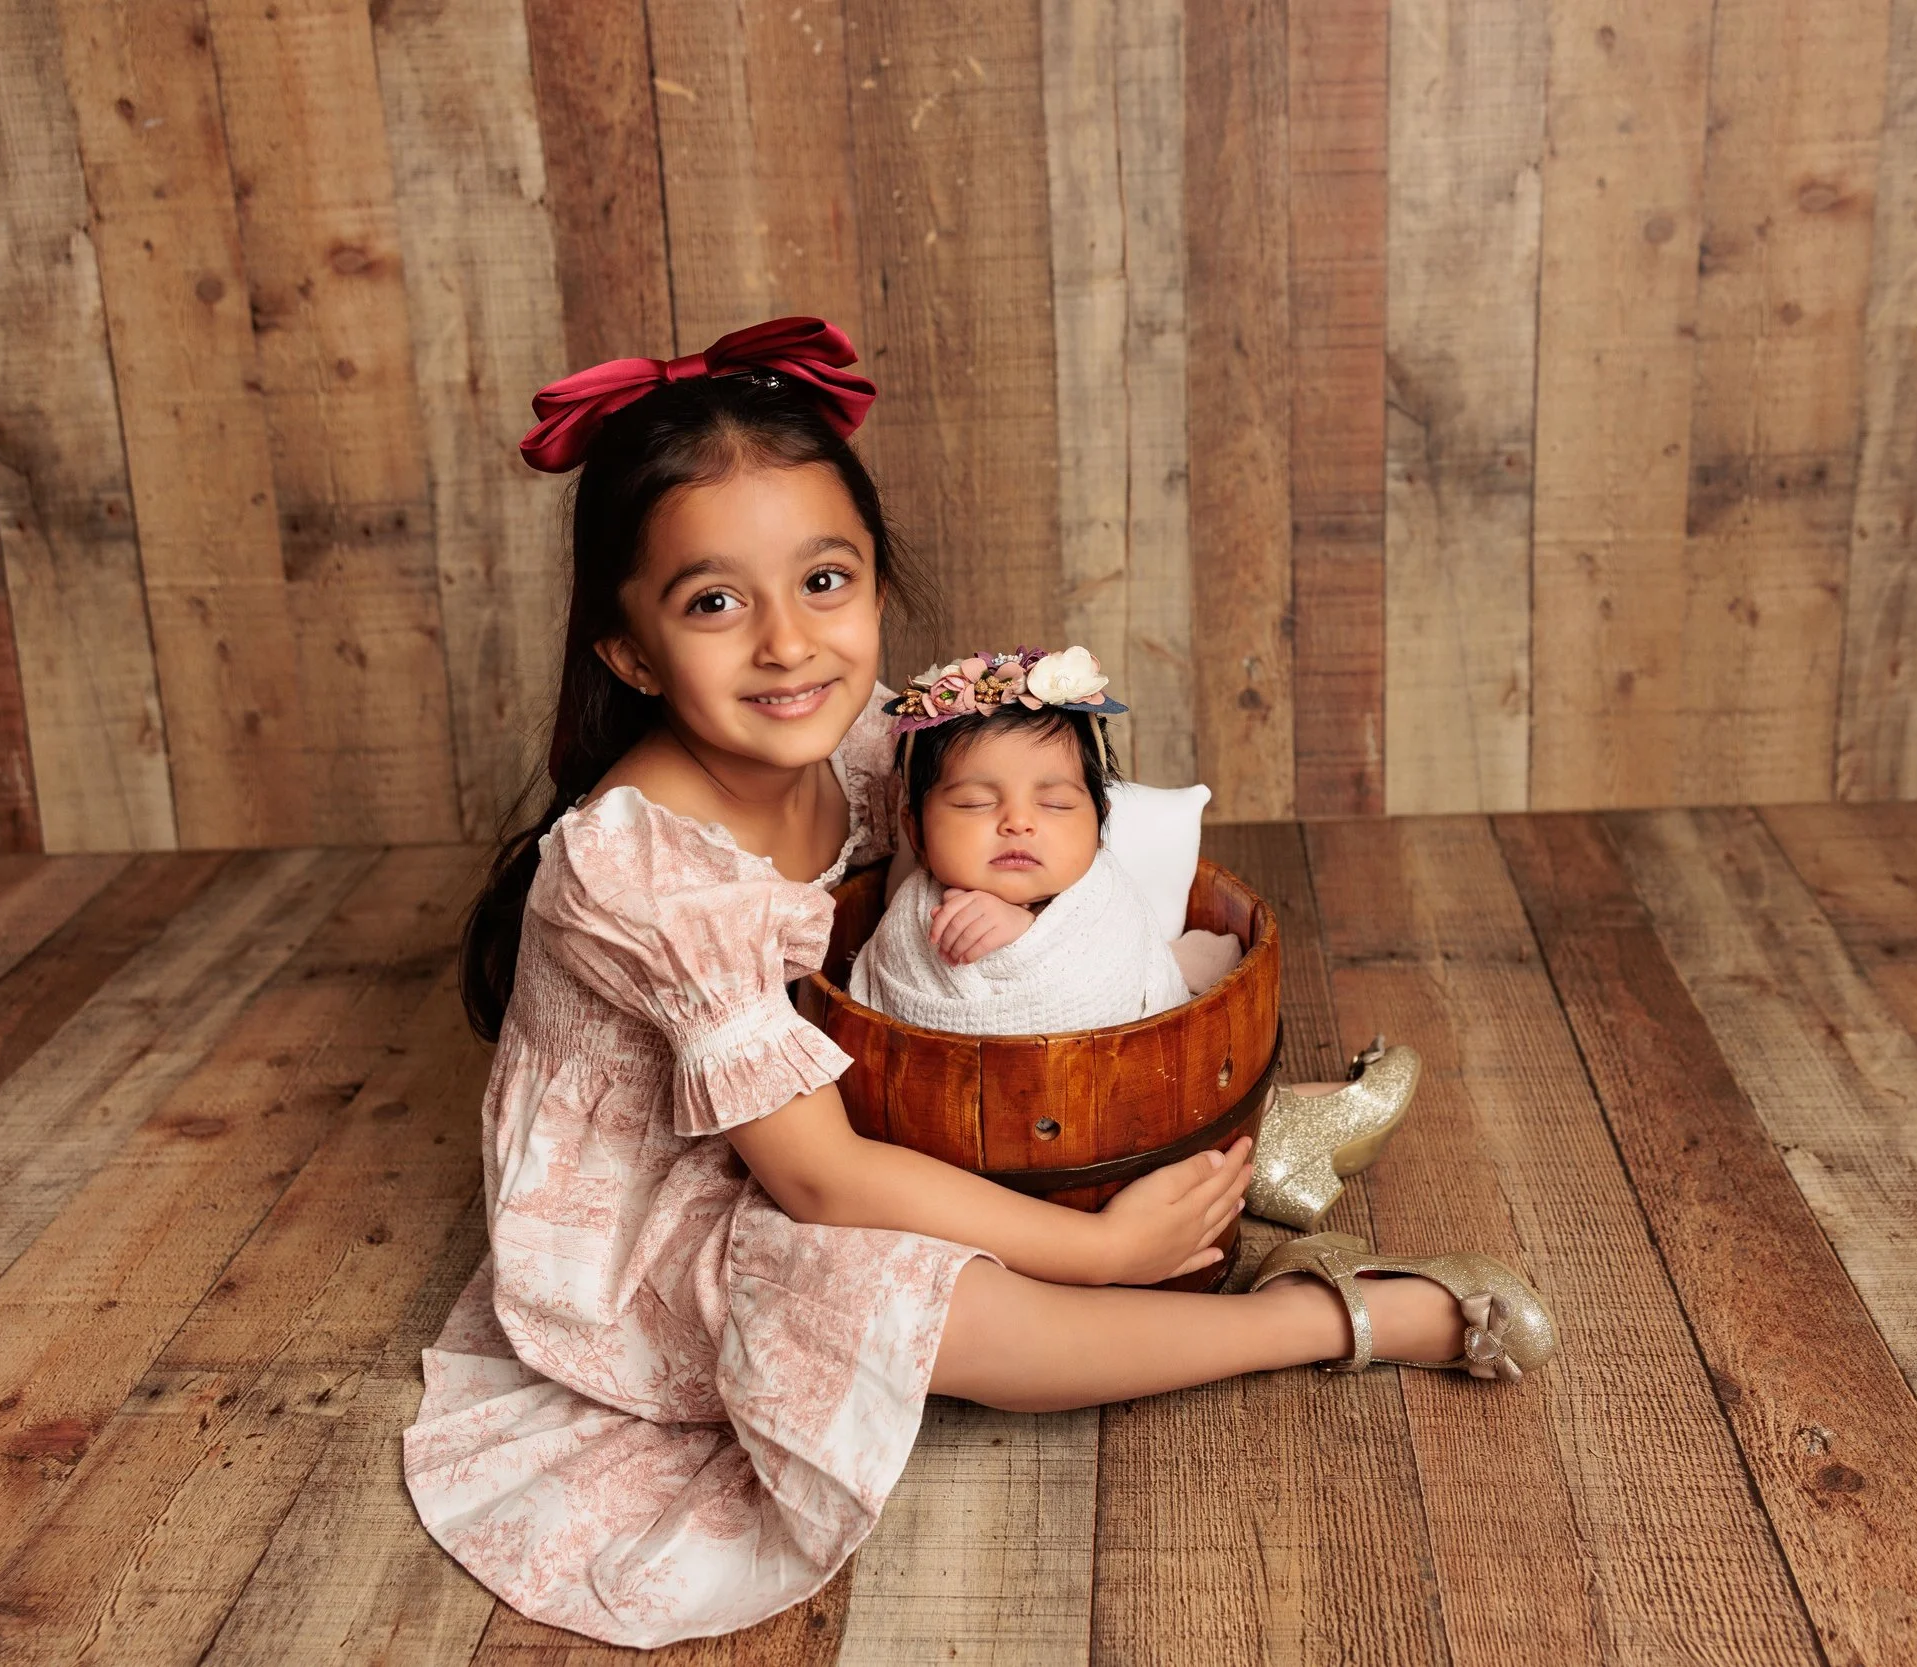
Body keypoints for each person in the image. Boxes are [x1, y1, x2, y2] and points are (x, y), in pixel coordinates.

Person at [406, 318, 1558, 1648]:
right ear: (630, 651)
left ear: (879, 587)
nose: (788, 644)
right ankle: (1325, 1312)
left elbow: (1035, 854)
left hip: (872, 1107)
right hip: (699, 1196)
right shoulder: (645, 864)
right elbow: (819, 1183)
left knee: (1038, 960)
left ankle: (1234, 1144)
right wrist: (1099, 1246)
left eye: (824, 580)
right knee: (904, 1294)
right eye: (715, 602)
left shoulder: (867, 745)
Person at [845, 651, 1240, 1035]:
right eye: (975, 803)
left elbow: (1114, 996)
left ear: (1099, 824)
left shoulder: (1108, 904)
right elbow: (889, 1027)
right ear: (916, 833)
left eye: (1055, 804)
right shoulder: (911, 919)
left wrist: (1026, 930)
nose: (1018, 823)